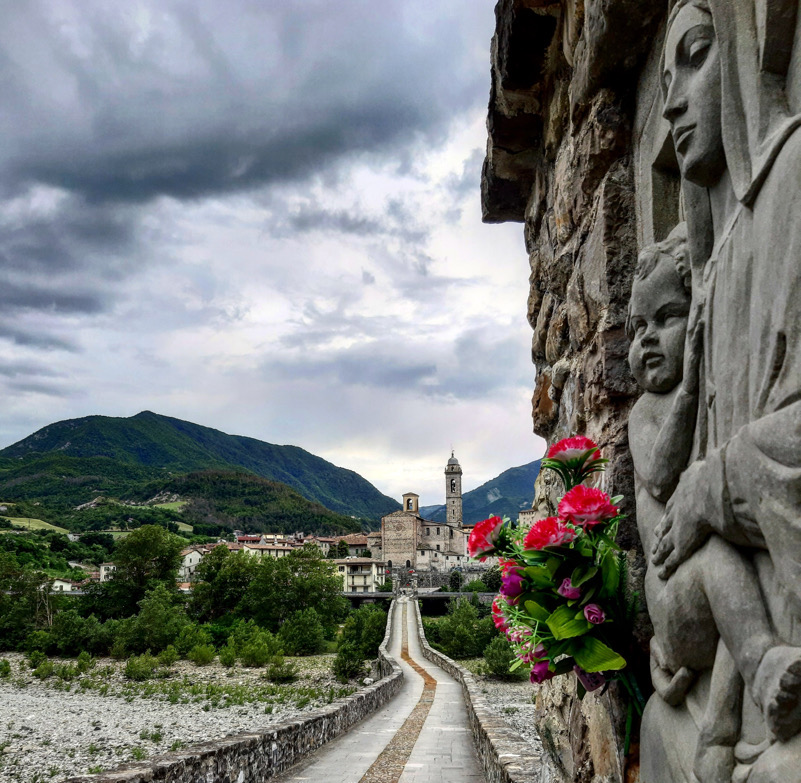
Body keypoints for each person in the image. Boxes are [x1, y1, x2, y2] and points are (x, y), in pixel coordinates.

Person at [644, 0, 801, 778]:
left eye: (697, 55)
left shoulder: (797, 185)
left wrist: (715, 483)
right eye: (663, 77)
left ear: (742, 50)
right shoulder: (711, 265)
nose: (672, 99)